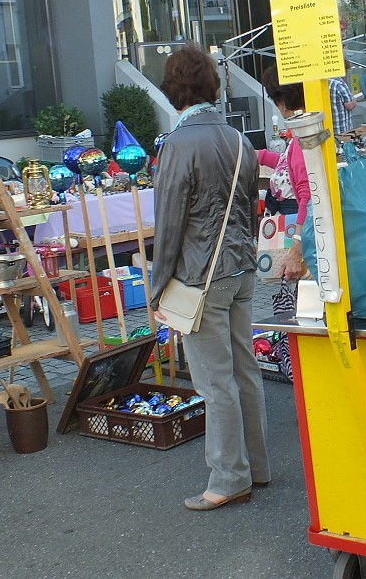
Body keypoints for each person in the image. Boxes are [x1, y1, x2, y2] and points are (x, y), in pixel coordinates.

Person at [150, 46, 269, 511]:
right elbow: (250, 204)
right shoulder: (239, 139)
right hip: (241, 268)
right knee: (246, 371)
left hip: (202, 275)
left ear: (173, 88)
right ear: (211, 87)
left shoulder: (177, 144)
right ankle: (255, 468)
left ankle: (228, 477)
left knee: (215, 382)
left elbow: (170, 224)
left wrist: (159, 286)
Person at [258, 67, 310, 291]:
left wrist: (296, 248)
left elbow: (308, 195)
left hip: (299, 228)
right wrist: (260, 156)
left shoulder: (302, 138)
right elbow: (286, 164)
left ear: (282, 101)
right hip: (300, 226)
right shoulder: (303, 132)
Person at [329, 60, 357, 135]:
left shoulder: (326, 82)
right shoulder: (340, 84)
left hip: (331, 129)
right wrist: (354, 99)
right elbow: (349, 106)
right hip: (343, 130)